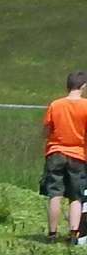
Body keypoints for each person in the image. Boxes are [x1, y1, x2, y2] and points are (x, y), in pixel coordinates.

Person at [39, 70, 87, 243]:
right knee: (76, 196)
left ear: (68, 85)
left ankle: (52, 234)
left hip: (55, 153)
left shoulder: (55, 105)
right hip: (79, 154)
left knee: (55, 194)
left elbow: (45, 132)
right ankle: (73, 234)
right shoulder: (86, 106)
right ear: (83, 86)